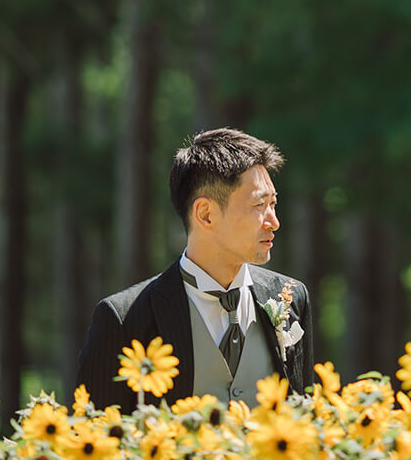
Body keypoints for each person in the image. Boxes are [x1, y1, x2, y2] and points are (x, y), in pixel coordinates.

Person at [76, 128, 314, 410]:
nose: (273, 221)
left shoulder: (292, 297)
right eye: (259, 205)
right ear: (206, 214)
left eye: (273, 203)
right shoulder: (124, 320)